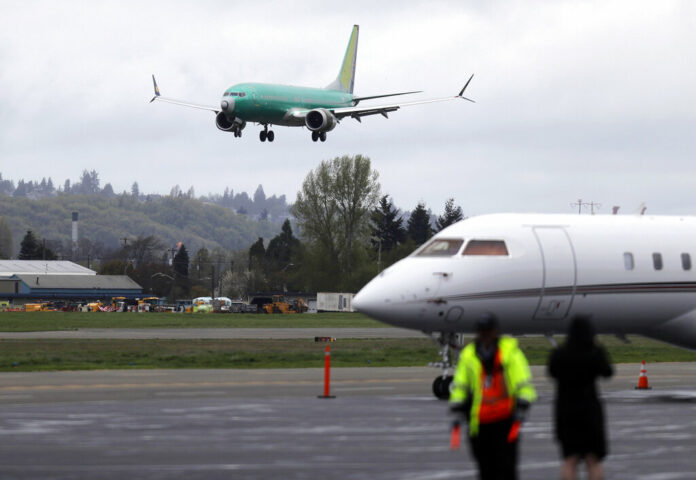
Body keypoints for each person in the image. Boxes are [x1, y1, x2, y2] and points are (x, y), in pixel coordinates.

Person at [449, 313, 537, 480]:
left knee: (506, 469)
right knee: (485, 469)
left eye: (487, 331)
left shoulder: (510, 352)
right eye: (481, 331)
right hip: (479, 422)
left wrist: (524, 402)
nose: (485, 335)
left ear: (495, 331)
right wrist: (457, 405)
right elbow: (461, 384)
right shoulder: (469, 354)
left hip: (506, 421)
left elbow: (523, 381)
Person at [548, 316, 613, 480]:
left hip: (566, 411)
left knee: (570, 459)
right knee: (593, 460)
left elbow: (552, 372)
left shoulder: (559, 354)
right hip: (590, 410)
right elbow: (607, 372)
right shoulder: (594, 352)